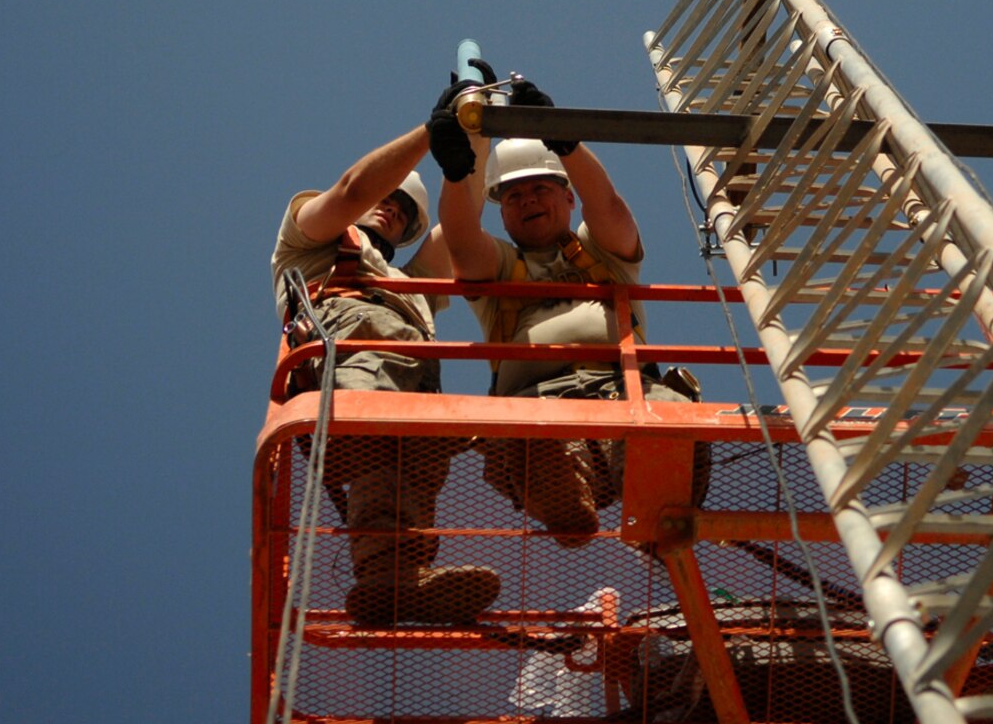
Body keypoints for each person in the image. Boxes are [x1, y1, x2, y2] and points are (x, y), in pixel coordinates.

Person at [426, 73, 700, 547]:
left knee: (664, 417)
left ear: (567, 197)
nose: (526, 200)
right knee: (542, 439)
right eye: (512, 196)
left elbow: (609, 207)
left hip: (625, 397)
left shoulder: (602, 252)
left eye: (540, 189)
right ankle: (564, 493)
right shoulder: (501, 269)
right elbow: (461, 241)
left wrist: (565, 140)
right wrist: (457, 172)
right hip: (540, 403)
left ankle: (652, 492)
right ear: (502, 213)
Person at [272, 123, 496, 626]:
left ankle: (395, 584)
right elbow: (354, 189)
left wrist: (476, 127)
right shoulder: (308, 241)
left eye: (405, 209)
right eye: (389, 195)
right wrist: (430, 132)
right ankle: (387, 577)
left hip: (414, 387)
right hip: (349, 371)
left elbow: (465, 207)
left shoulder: (412, 285)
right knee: (379, 451)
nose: (392, 206)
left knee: (409, 479)